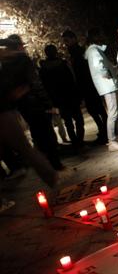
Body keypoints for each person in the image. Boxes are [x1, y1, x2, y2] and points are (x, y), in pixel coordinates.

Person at [0, 48, 58, 189]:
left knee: (26, 149)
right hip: (6, 110)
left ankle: (53, 180)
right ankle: (52, 179)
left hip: (4, 112)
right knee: (26, 149)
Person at [6, 35, 65, 170]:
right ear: (19, 46)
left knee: (37, 132)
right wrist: (48, 103)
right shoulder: (23, 60)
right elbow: (36, 83)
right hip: (35, 102)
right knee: (47, 132)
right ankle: (55, 164)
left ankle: (45, 162)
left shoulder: (7, 65)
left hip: (23, 104)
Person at [62, 30, 108, 145]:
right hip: (88, 84)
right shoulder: (76, 51)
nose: (66, 43)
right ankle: (105, 130)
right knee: (96, 109)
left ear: (73, 39)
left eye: (67, 40)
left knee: (96, 109)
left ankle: (105, 131)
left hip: (88, 84)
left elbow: (83, 70)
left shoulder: (78, 51)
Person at [84, 27, 118, 152]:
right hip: (107, 85)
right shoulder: (93, 50)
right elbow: (100, 66)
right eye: (99, 34)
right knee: (113, 113)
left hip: (109, 84)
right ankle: (112, 140)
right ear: (94, 37)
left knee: (116, 112)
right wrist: (109, 73)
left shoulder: (94, 50)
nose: (102, 36)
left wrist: (113, 69)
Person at [39, 44, 85, 147]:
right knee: (78, 120)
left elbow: (46, 86)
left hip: (59, 99)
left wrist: (52, 101)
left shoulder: (43, 69)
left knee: (68, 122)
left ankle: (75, 141)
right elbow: (72, 80)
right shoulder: (63, 64)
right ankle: (79, 140)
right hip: (70, 96)